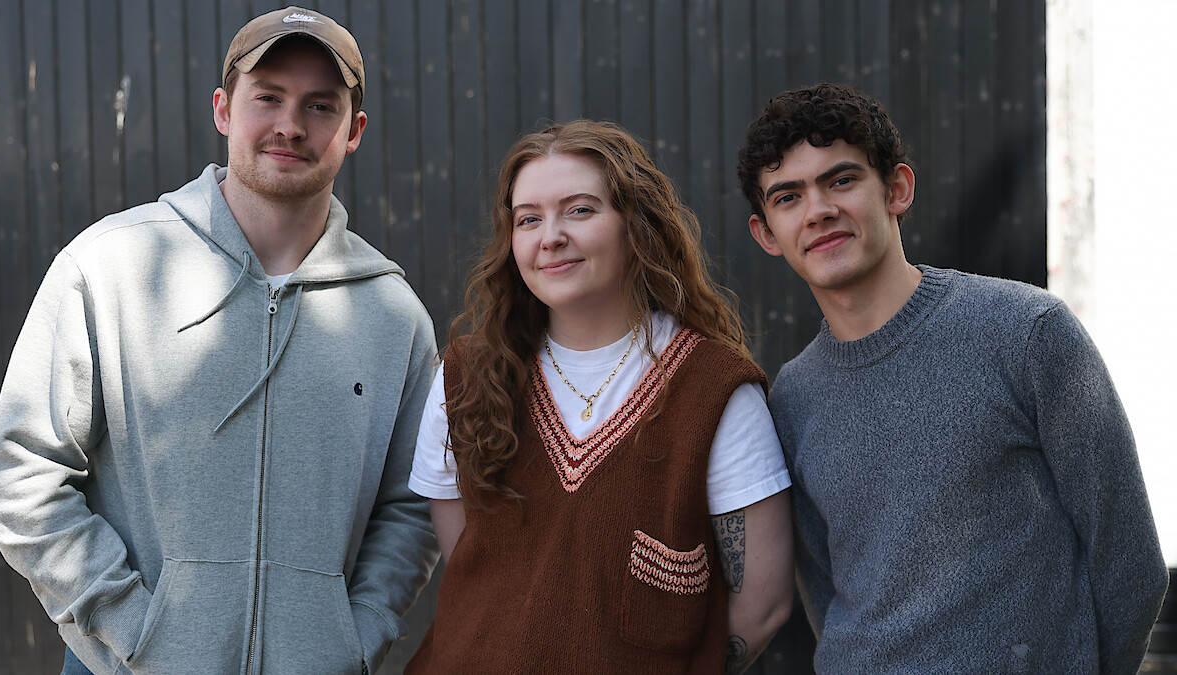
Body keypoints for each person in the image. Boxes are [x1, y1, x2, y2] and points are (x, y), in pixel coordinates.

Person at [0, 7, 438, 674]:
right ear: (224, 110)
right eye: (269, 98)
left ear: (353, 131)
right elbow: (23, 472)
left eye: (319, 105)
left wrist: (354, 638)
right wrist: (139, 630)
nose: (290, 124)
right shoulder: (110, 267)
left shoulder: (395, 318)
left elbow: (413, 508)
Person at [736, 82, 1168, 673]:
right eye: (788, 197)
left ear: (897, 189)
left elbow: (1129, 567)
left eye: (841, 180)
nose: (818, 211)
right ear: (766, 234)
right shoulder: (791, 397)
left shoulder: (1026, 331)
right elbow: (829, 597)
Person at [404, 120, 794, 673]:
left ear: (637, 225)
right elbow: (469, 559)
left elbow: (763, 602)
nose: (551, 236)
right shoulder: (465, 377)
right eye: (529, 219)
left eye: (580, 210)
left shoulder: (714, 389)